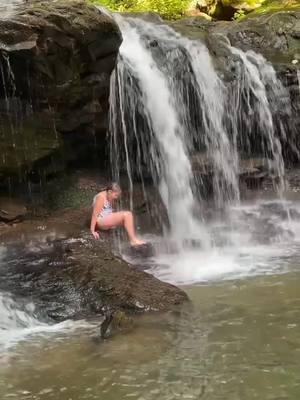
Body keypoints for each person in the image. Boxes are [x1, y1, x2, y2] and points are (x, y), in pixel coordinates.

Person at [90, 183, 145, 247]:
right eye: (115, 195)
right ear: (110, 192)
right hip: (101, 221)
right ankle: (133, 241)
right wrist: (92, 231)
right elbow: (95, 214)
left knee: (127, 220)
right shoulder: (101, 197)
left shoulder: (108, 195)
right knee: (127, 214)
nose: (116, 197)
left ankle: (131, 238)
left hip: (106, 217)